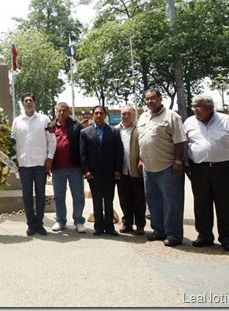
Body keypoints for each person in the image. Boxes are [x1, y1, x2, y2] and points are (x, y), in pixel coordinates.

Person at [183, 95, 229, 252]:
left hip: (224, 168)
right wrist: (186, 165)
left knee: (226, 205)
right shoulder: (189, 122)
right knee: (201, 203)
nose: (195, 109)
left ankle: (227, 239)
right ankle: (204, 236)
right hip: (199, 169)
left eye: (199, 106)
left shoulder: (227, 121)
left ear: (210, 108)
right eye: (193, 106)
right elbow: (185, 146)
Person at [137, 88, 186, 247]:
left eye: (153, 98)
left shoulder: (171, 116)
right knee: (153, 200)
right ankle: (158, 230)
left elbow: (180, 140)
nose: (149, 101)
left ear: (160, 99)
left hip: (167, 167)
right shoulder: (143, 116)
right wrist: (141, 159)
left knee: (172, 201)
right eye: (147, 99)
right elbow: (143, 139)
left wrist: (178, 162)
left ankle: (173, 234)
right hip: (148, 167)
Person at [12, 93, 56, 236]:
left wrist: (49, 158)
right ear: (22, 104)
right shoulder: (17, 121)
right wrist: (14, 158)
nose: (29, 102)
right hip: (24, 164)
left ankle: (39, 223)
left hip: (40, 163)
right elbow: (12, 142)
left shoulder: (44, 119)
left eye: (31, 100)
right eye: (26, 101)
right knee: (27, 196)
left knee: (41, 195)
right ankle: (31, 224)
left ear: (35, 103)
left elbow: (52, 140)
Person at [80, 106, 124, 236]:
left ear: (105, 115)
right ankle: (98, 226)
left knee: (109, 200)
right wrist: (86, 171)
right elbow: (83, 154)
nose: (98, 115)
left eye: (101, 113)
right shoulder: (85, 133)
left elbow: (119, 152)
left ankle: (109, 226)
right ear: (93, 116)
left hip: (110, 173)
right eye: (96, 113)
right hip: (93, 173)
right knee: (97, 200)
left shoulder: (114, 131)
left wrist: (118, 170)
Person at [50, 103, 86, 233]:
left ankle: (78, 221)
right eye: (59, 111)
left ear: (69, 112)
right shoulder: (50, 127)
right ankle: (60, 220)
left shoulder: (77, 126)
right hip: (57, 168)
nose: (61, 113)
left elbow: (83, 146)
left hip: (74, 167)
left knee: (78, 196)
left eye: (64, 111)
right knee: (58, 196)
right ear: (56, 112)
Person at [116, 105, 145, 235]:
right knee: (124, 198)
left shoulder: (140, 129)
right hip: (121, 171)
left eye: (129, 114)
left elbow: (145, 146)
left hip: (136, 170)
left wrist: (142, 159)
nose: (126, 116)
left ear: (134, 115)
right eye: (123, 114)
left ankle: (140, 224)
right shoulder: (116, 130)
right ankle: (127, 223)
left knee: (139, 199)